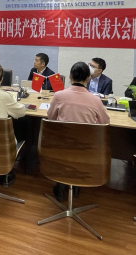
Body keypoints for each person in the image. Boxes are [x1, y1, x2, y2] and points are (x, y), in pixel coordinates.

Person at [47, 62, 110, 201]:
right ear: (88, 78)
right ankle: (75, 185)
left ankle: (60, 185)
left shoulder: (59, 96)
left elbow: (50, 118)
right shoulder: (96, 100)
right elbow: (105, 122)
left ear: (70, 76)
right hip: (86, 147)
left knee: (66, 148)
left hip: (61, 145)